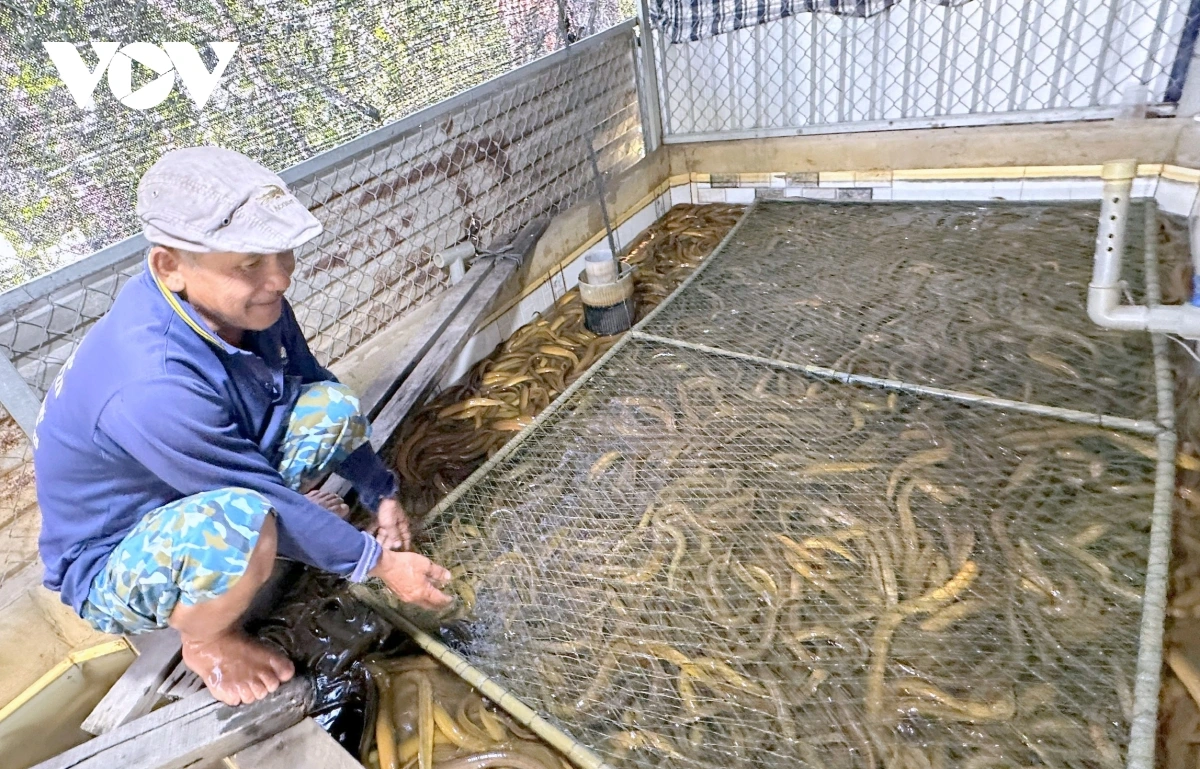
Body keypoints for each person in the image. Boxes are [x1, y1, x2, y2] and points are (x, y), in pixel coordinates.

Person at [33, 146, 454, 707]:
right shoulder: (150, 384)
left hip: (200, 484)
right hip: (113, 556)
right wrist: (379, 563)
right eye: (250, 263)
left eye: (282, 252)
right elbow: (253, 496)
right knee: (245, 520)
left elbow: (312, 381)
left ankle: (266, 542)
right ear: (170, 267)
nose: (279, 278)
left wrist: (381, 492)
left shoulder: (244, 302)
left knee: (330, 406)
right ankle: (207, 640)